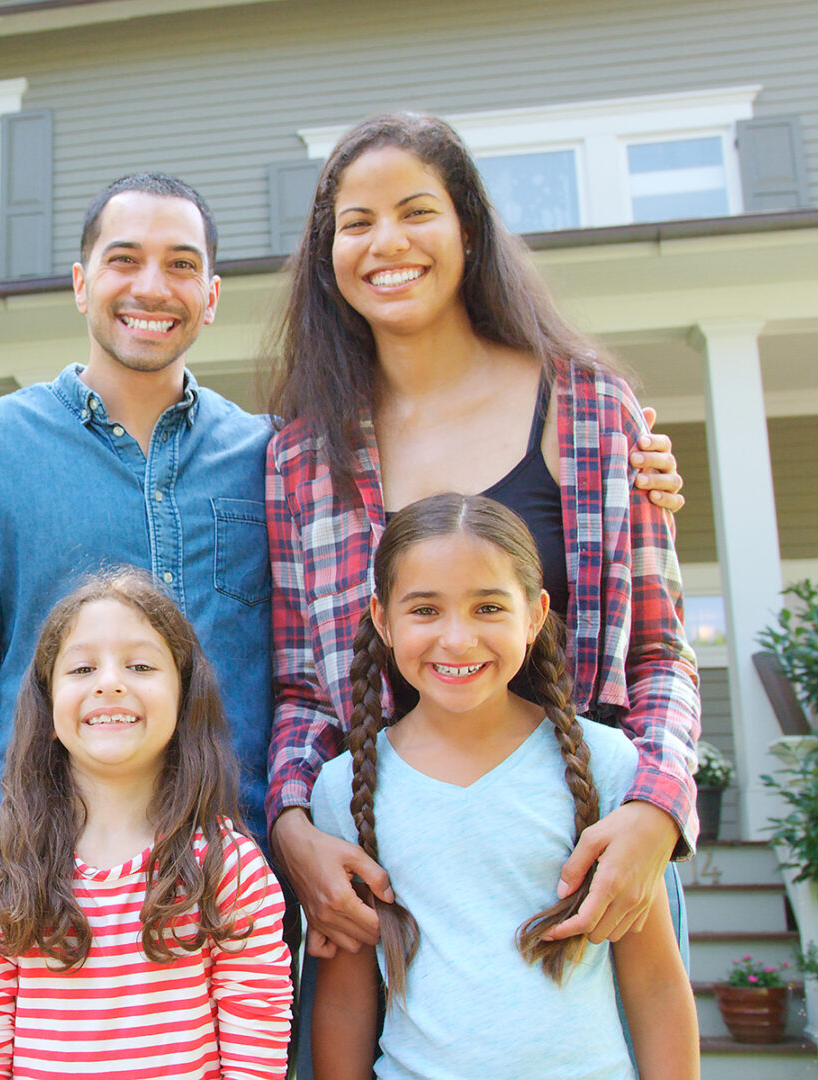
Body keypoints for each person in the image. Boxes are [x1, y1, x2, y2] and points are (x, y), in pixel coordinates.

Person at [0, 170, 685, 1057]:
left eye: (182, 264)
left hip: (238, 899)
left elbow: (396, 588)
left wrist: (629, 470)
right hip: (42, 888)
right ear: (80, 281)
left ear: (213, 295)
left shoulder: (277, 455)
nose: (151, 287)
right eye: (124, 260)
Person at [264, 113, 702, 970]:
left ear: (468, 228)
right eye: (356, 222)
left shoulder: (591, 411)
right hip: (396, 892)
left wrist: (655, 810)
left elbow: (660, 653)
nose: (387, 242)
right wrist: (293, 826)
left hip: (587, 869)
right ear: (327, 256)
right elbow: (303, 693)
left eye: (416, 211)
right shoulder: (301, 459)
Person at [309, 493, 698, 1080]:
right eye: (425, 610)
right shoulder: (344, 788)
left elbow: (656, 984)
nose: (457, 639)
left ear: (536, 615)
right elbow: (344, 1000)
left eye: (488, 607)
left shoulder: (608, 764)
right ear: (382, 620)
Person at [0, 570, 292, 1079]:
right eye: (82, 668)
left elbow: (256, 1039)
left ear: (184, 697)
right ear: (47, 703)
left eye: (141, 665)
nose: (109, 682)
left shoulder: (229, 868)